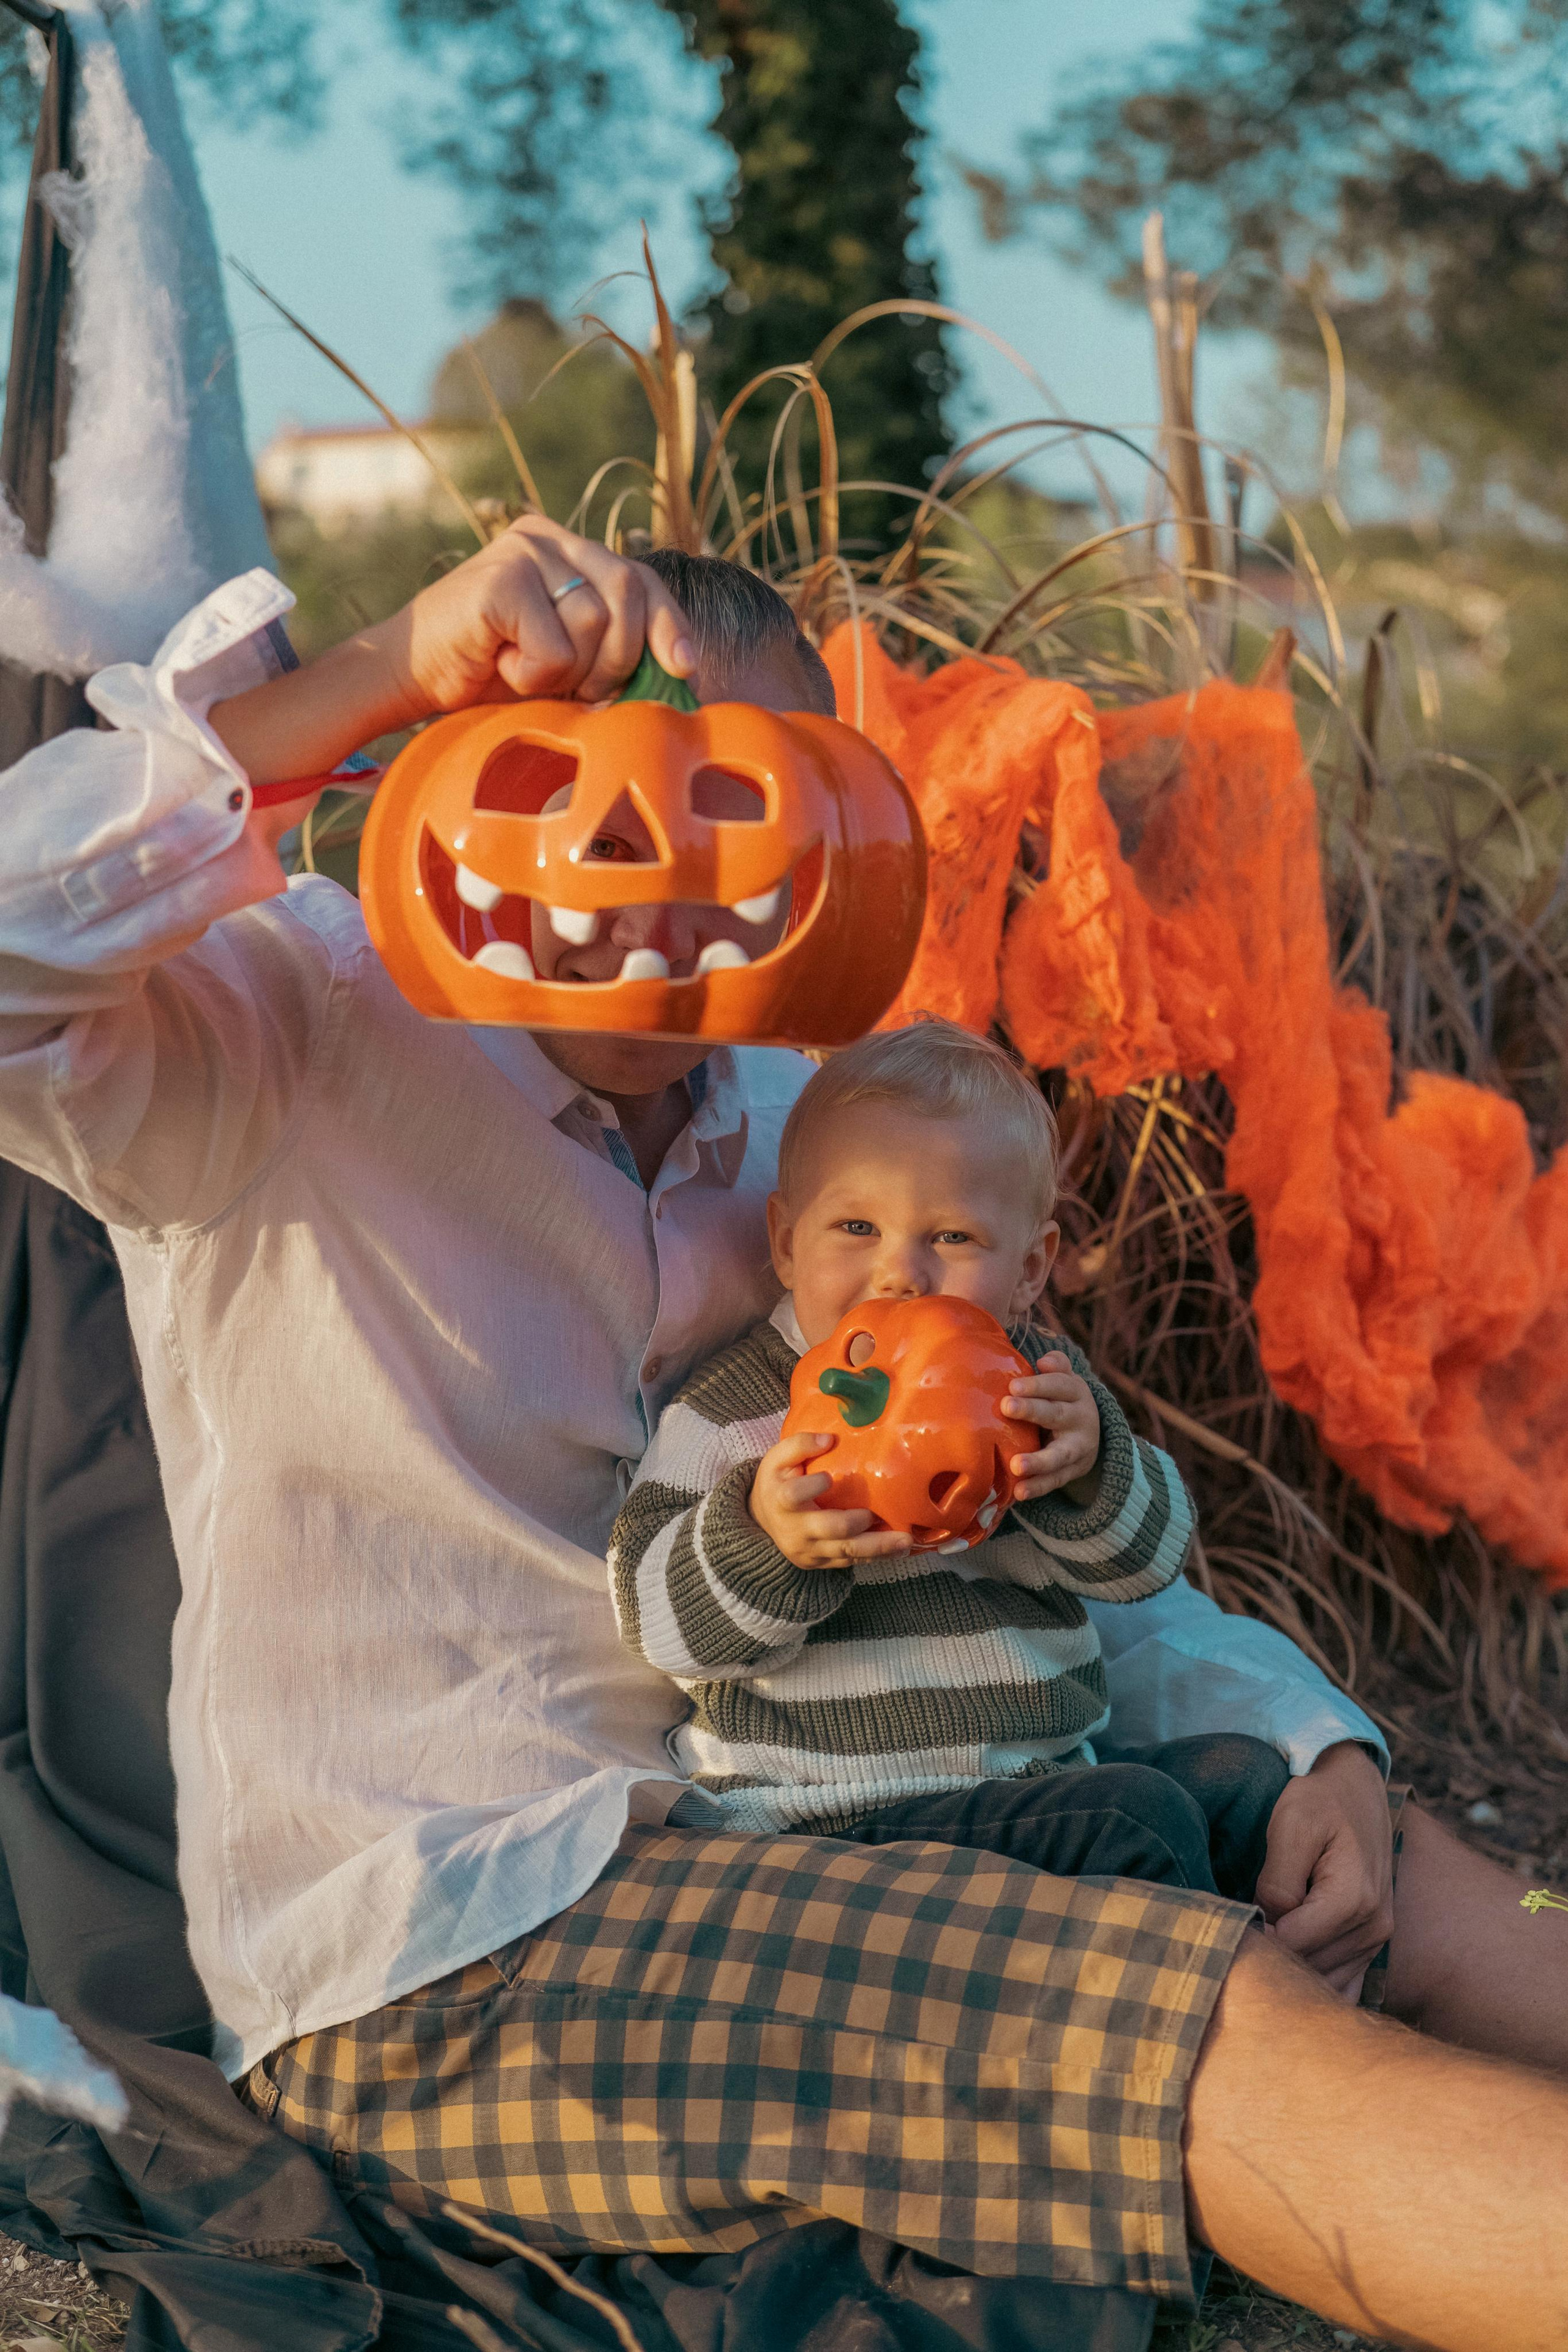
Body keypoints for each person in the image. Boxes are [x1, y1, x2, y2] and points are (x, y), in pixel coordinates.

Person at [1, 518, 1565, 2351]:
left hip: (843, 1819)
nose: (670, 877)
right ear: (470, 767)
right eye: (602, 794)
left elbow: (1013, 1518)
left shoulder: (819, 1135)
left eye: (756, 807)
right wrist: (371, 675)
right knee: (1215, 2021)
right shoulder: (289, 1028)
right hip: (461, 1948)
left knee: (1402, 1872)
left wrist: (1315, 1739)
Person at [612, 1017, 1289, 1901]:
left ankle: (1269, 1958)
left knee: (1252, 1782)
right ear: (785, 1243)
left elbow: (1147, 1567)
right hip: (831, 1821)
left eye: (954, 1238)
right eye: (857, 1226)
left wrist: (1089, 1473)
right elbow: (652, 1621)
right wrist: (765, 1540)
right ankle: (1207, 1975)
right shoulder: (739, 1410)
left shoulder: (1038, 1389)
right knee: (1138, 1820)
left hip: (1035, 1785)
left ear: (1032, 1267)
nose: (901, 1273)